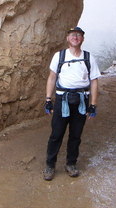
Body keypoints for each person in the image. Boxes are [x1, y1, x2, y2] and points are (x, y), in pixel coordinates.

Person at [43, 27, 101, 181]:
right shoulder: (59, 56)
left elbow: (94, 81)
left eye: (79, 35)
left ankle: (71, 164)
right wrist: (48, 100)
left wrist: (93, 104)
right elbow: (52, 77)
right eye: (72, 35)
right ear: (67, 38)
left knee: (76, 135)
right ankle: (50, 165)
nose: (76, 37)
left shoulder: (88, 58)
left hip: (81, 99)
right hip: (62, 99)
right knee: (56, 134)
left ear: (82, 39)